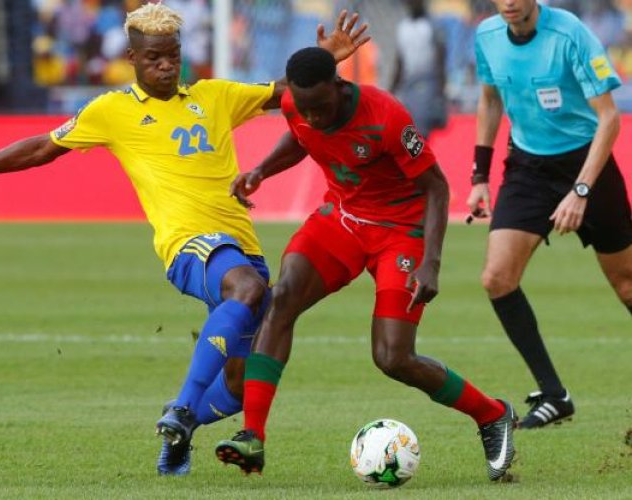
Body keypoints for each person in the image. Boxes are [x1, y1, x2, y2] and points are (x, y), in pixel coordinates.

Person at [0, 3, 370, 476]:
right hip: (188, 245)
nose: (166, 65)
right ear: (132, 58)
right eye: (154, 58)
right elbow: (42, 147)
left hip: (240, 245)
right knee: (246, 289)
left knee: (242, 382)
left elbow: (289, 92)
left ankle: (180, 430)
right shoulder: (113, 111)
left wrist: (324, 59)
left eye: (172, 55)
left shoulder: (216, 96)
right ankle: (183, 408)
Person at [215, 46, 517, 482]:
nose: (313, 117)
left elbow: (436, 187)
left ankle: (491, 415)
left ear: (339, 86)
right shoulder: (294, 103)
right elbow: (302, 137)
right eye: (305, 108)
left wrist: (431, 263)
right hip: (342, 219)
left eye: (320, 107)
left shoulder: (386, 116)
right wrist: (262, 169)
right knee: (281, 298)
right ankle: (252, 436)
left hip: (401, 232)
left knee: (393, 357)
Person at [467, 0, 632, 429]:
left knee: (627, 284)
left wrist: (581, 191)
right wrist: (479, 175)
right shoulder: (486, 36)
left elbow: (609, 119)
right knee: (496, 278)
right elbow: (489, 101)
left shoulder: (570, 33)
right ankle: (555, 396)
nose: (509, 2)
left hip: (587, 162)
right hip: (527, 167)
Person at [390, 0, 448, 139]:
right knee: (407, 128)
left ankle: (421, 158)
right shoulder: (403, 27)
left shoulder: (431, 25)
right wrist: (392, 89)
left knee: (420, 130)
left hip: (427, 83)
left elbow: (440, 59)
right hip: (408, 85)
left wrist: (440, 90)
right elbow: (400, 61)